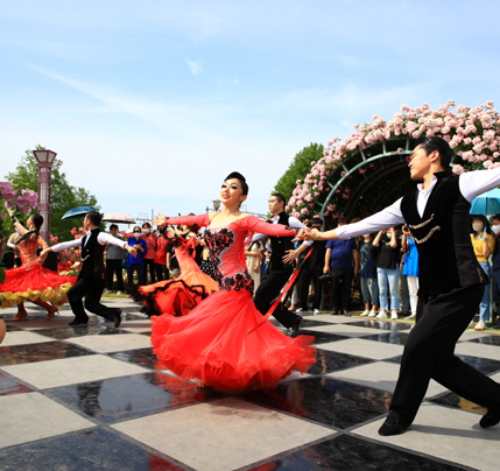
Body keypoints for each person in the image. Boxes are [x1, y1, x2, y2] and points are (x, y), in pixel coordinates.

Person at [300, 137, 500, 436]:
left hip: (461, 287)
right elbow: (366, 224)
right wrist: (322, 235)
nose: (409, 161)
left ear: (434, 156)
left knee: (417, 348)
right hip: (430, 292)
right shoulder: (406, 202)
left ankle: (400, 414)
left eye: (414, 155)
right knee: (437, 361)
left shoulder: (462, 184)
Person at [152, 172, 315, 392]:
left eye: (233, 187)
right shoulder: (211, 217)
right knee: (222, 329)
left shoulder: (245, 220)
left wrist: (296, 231)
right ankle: (221, 371)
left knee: (220, 327)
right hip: (218, 281)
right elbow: (186, 220)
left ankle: (227, 371)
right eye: (224, 185)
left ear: (243, 196)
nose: (226, 189)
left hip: (236, 282)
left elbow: (272, 229)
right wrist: (167, 220)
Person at [42, 211, 137, 326]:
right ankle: (113, 313)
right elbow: (67, 244)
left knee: (72, 293)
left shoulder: (100, 235)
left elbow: (113, 240)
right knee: (90, 304)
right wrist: (48, 249)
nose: (83, 221)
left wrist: (127, 246)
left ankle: (81, 318)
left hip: (94, 274)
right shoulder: (85, 238)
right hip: (88, 274)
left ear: (88, 221)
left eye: (85, 218)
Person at [253, 192, 311, 335]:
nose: (269, 204)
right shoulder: (269, 222)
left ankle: (257, 327)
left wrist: (297, 251)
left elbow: (311, 236)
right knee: (264, 299)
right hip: (272, 265)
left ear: (281, 203)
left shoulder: (290, 220)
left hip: (284, 267)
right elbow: (255, 237)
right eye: (268, 201)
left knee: (260, 296)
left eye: (272, 201)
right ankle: (292, 321)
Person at [0, 212, 76, 320]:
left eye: (29, 218)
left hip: (31, 267)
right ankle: (22, 311)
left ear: (32, 221)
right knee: (17, 289)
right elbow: (18, 228)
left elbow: (44, 245)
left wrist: (41, 258)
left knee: (29, 293)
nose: (27, 219)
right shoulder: (30, 233)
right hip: (24, 266)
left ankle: (49, 308)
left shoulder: (33, 234)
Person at [138, 226, 219, 316]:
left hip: (193, 268)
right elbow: (178, 238)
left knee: (195, 289)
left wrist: (191, 232)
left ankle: (199, 310)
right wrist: (182, 230)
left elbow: (197, 242)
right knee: (188, 289)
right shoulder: (177, 242)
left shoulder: (186, 241)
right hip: (188, 269)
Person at [323, 217, 359, 315]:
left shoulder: (350, 238)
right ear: (338, 226)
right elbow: (328, 251)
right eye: (340, 224)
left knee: (346, 288)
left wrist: (356, 267)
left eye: (344, 224)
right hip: (335, 266)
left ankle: (345, 308)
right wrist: (326, 265)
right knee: (335, 287)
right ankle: (335, 308)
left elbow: (355, 253)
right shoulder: (333, 237)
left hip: (348, 266)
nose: (342, 226)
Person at [296, 216, 326, 315]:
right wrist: (305, 228)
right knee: (302, 285)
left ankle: (316, 306)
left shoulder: (322, 236)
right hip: (305, 264)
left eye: (317, 225)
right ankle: (302, 305)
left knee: (318, 286)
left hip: (318, 263)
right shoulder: (305, 235)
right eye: (313, 224)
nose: (315, 227)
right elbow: (299, 240)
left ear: (321, 226)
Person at [470, 216, 495, 331]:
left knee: (483, 293)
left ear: (483, 223)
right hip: (472, 265)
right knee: (471, 293)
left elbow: (486, 254)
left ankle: (483, 319)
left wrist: (484, 240)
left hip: (483, 264)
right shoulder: (471, 236)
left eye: (478, 221)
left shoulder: (489, 237)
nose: (475, 224)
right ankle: (471, 317)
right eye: (474, 221)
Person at [373, 227, 401, 320]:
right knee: (382, 290)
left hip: (392, 268)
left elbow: (393, 245)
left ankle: (394, 310)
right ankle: (383, 310)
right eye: (388, 228)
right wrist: (381, 231)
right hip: (381, 268)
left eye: (391, 228)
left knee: (393, 290)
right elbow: (374, 243)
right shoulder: (383, 240)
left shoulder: (397, 239)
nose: (388, 230)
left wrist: (393, 233)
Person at [401, 225, 419, 319]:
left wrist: (412, 234)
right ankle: (414, 311)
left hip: (418, 263)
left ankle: (421, 311)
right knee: (412, 291)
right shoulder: (407, 237)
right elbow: (404, 249)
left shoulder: (418, 235)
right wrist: (404, 237)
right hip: (410, 263)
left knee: (420, 290)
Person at [359, 234, 379, 317]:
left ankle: (374, 308)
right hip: (363, 269)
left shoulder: (374, 242)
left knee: (373, 289)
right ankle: (366, 308)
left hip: (372, 268)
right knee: (364, 289)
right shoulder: (360, 243)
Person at [105, 224, 125, 293]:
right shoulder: (107, 238)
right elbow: (105, 249)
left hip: (118, 258)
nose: (114, 231)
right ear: (110, 230)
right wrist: (108, 244)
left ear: (117, 230)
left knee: (119, 274)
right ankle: (109, 288)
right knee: (109, 274)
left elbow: (123, 247)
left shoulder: (120, 238)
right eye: (112, 230)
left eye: (115, 229)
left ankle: (120, 289)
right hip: (109, 258)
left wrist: (118, 243)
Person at [125, 227, 147, 291]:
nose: (136, 233)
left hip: (140, 262)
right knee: (130, 277)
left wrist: (140, 248)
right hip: (131, 261)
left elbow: (145, 252)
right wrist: (132, 248)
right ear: (133, 232)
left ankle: (140, 291)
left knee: (141, 277)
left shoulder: (143, 241)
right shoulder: (130, 240)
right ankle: (130, 291)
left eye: (138, 231)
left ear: (140, 233)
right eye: (135, 231)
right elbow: (126, 248)